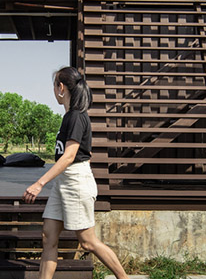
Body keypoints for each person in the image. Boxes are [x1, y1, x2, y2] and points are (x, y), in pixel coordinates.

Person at [22, 66, 128, 279]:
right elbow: (80, 150)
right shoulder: (69, 117)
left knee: (88, 242)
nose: (53, 90)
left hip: (76, 183)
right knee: (48, 237)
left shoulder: (77, 117)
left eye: (54, 86)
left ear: (61, 87)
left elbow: (69, 157)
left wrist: (39, 183)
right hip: (63, 183)